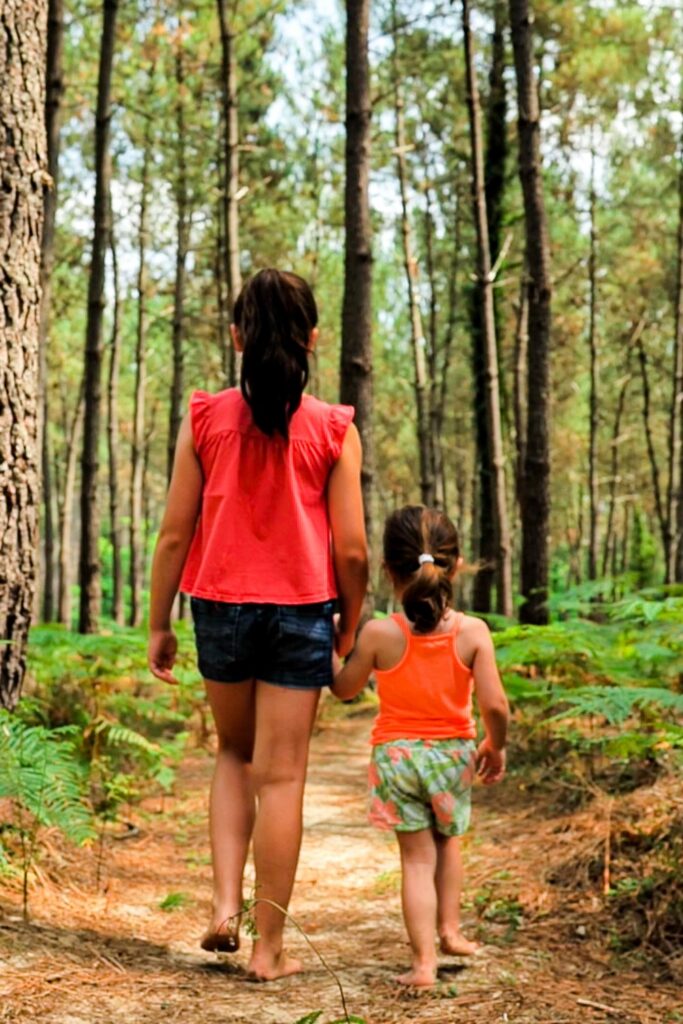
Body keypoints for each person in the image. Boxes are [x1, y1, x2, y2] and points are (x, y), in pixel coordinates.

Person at [148, 268, 368, 981]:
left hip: (217, 605)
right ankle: (270, 950)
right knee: (282, 778)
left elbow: (175, 535)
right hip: (302, 609)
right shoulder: (334, 428)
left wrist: (159, 622)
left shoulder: (205, 417)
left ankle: (221, 909)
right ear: (312, 338)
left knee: (231, 754)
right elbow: (353, 549)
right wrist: (350, 623)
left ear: (238, 337)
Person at [331, 505, 509, 988]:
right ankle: (451, 930)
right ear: (457, 564)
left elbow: (345, 689)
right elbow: (496, 706)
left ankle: (424, 964)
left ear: (387, 570)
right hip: (453, 756)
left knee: (416, 860)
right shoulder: (473, 632)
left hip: (396, 759)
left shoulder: (379, 633)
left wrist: (331, 652)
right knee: (448, 842)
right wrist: (495, 745)